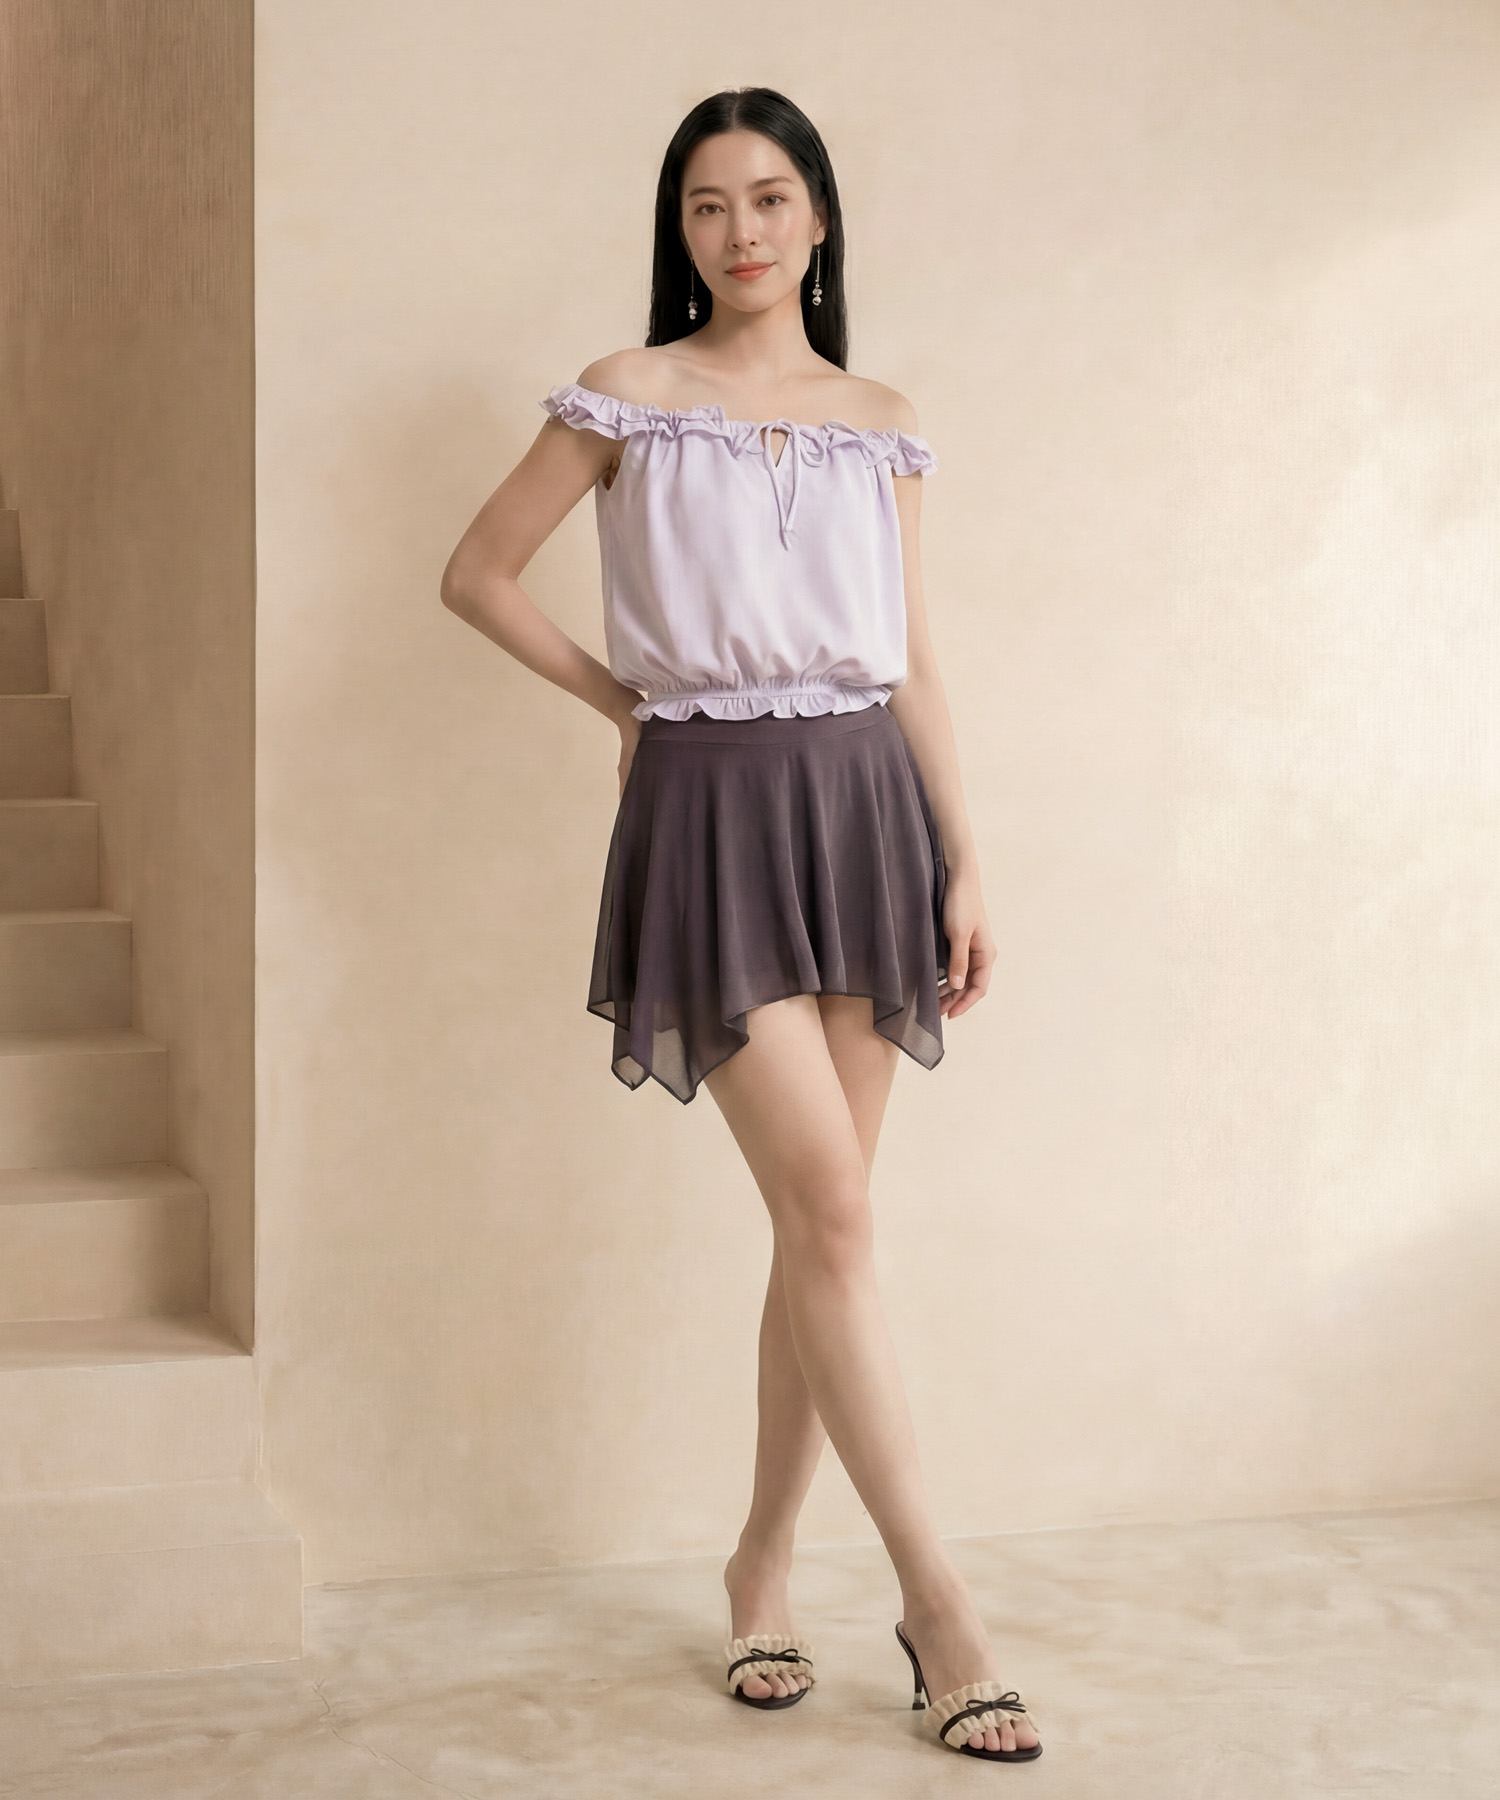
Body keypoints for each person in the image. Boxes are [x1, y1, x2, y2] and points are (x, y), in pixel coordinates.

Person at [440, 86, 1041, 1765]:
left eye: (770, 198)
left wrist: (966, 860)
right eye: (708, 205)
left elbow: (911, 654)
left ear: (819, 217)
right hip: (709, 814)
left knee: (819, 1228)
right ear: (681, 231)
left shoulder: (879, 420)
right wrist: (622, 702)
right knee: (832, 1212)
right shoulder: (629, 395)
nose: (741, 231)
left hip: (867, 812)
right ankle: (940, 1607)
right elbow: (477, 573)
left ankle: (762, 1568)